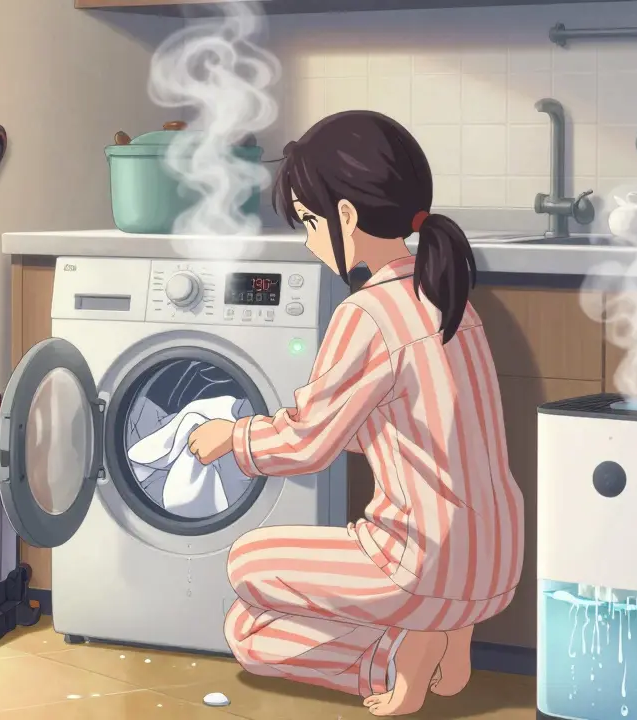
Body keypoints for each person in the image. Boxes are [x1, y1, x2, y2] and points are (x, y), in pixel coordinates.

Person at [188, 110, 525, 717]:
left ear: (345, 216)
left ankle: (396, 656)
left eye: (310, 222)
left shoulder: (366, 313)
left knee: (246, 592)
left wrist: (230, 437)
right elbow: (420, 430)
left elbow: (307, 444)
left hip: (419, 561)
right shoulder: (446, 300)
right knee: (280, 592)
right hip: (496, 557)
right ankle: (444, 634)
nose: (310, 241)